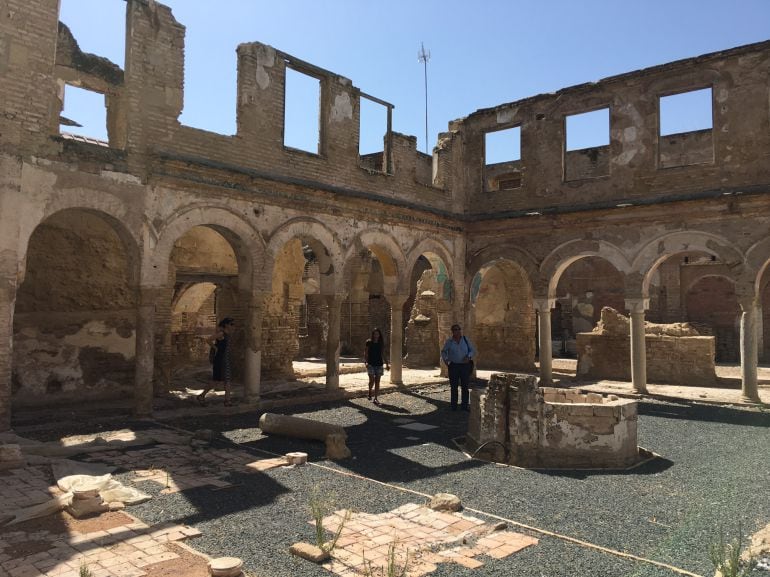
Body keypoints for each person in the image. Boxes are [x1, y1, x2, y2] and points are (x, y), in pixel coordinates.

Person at [198, 317, 235, 407]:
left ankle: (227, 401)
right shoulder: (221, 334)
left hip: (226, 360)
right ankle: (202, 395)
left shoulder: (228, 334)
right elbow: (208, 339)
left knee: (227, 380)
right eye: (231, 324)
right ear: (226, 325)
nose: (233, 326)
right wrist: (215, 348)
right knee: (216, 381)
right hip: (220, 359)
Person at [441, 324, 476, 411]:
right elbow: (444, 351)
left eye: (458, 329)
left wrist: (469, 356)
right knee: (454, 386)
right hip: (454, 366)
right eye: (454, 330)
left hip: (465, 366)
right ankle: (454, 405)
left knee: (465, 386)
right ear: (452, 331)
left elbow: (472, 350)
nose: (456, 331)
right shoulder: (449, 341)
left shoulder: (465, 339)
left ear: (460, 330)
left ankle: (464, 405)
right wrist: (446, 360)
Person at [364, 328, 389, 405]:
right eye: (375, 334)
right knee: (372, 380)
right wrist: (366, 362)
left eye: (377, 334)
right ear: (373, 334)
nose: (376, 335)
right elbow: (366, 353)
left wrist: (387, 363)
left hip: (379, 364)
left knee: (377, 381)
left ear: (379, 335)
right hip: (371, 364)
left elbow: (383, 354)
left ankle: (376, 398)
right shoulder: (369, 342)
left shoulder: (381, 343)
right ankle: (369, 391)